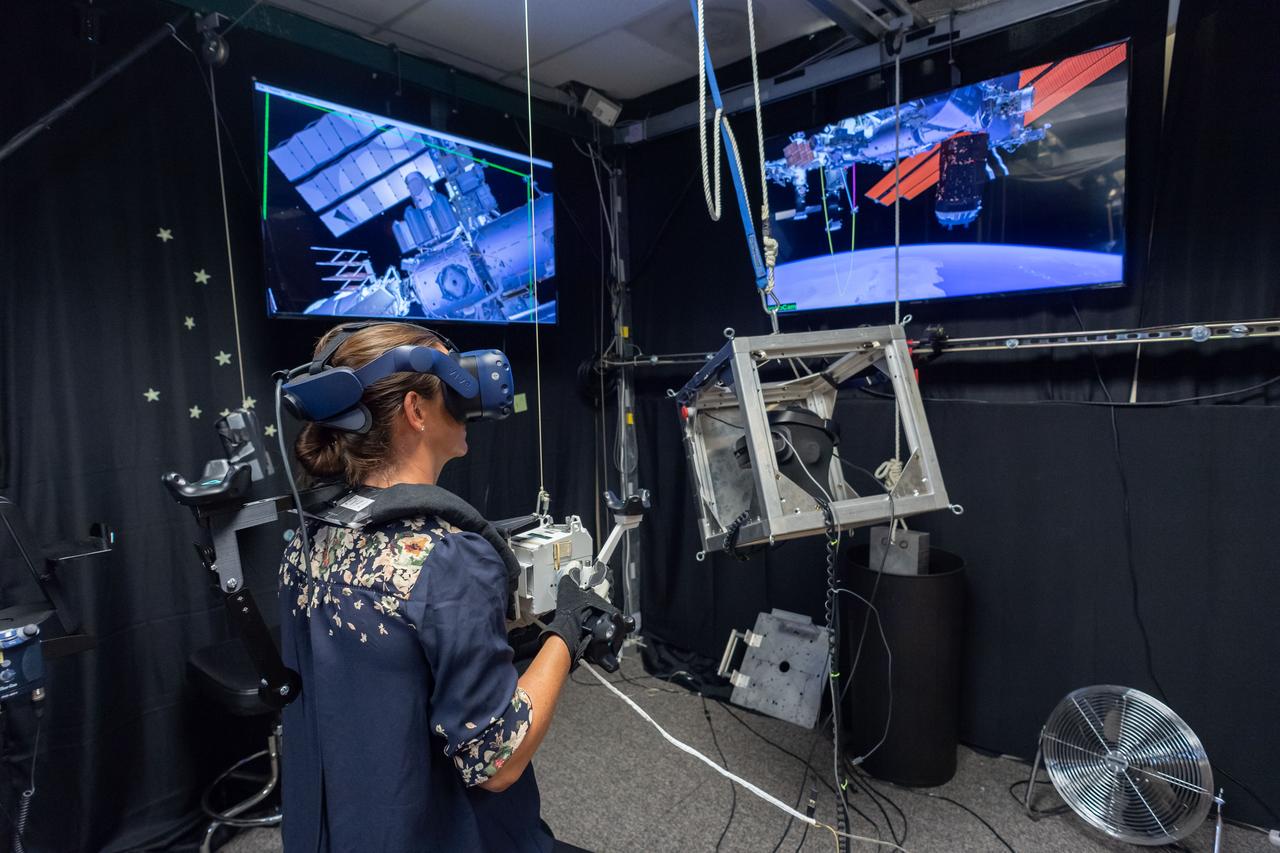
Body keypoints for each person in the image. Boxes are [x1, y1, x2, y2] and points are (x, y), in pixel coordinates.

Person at [278, 322, 602, 853]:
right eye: (453, 388)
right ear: (416, 411)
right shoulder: (447, 558)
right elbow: (497, 761)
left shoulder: (306, 538)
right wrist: (566, 633)